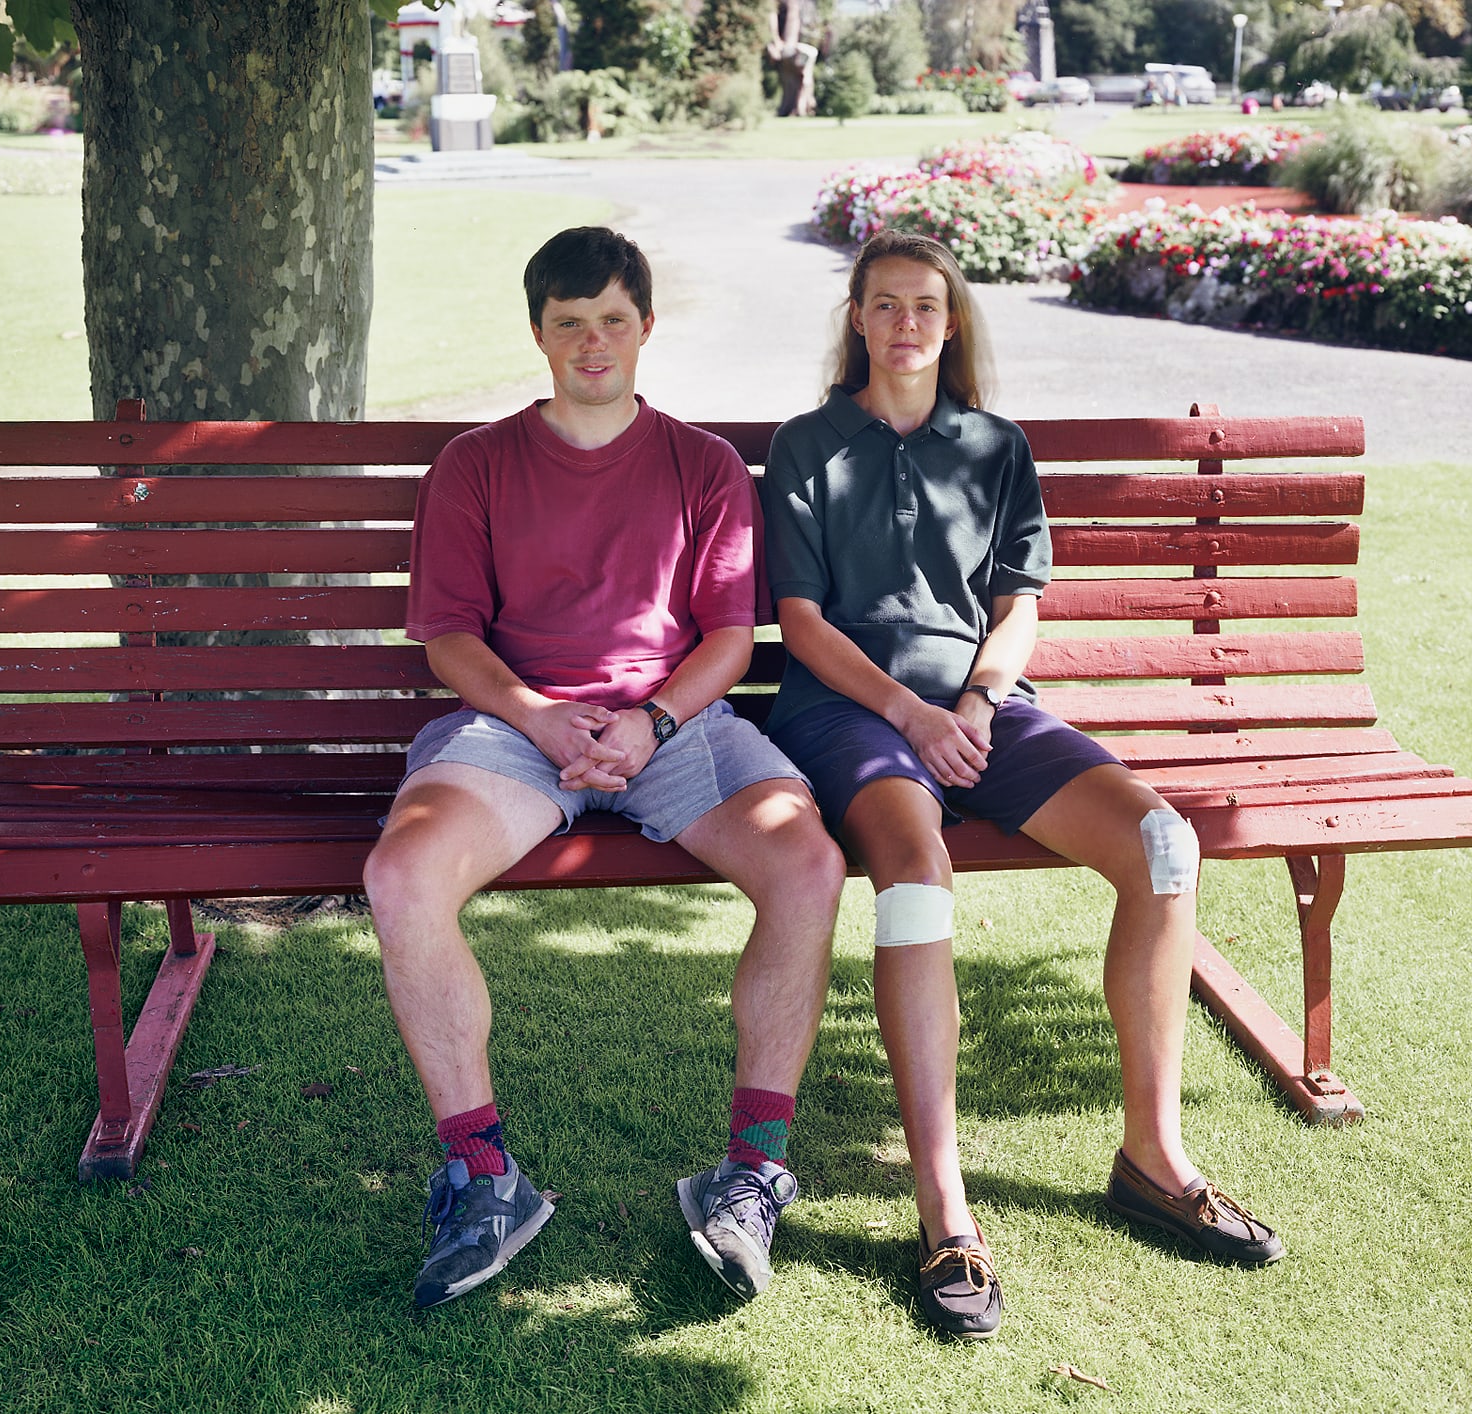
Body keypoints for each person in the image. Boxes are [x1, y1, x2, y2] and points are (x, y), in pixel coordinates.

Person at [759, 229, 1283, 1341]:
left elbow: (1018, 606)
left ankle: (1154, 1157)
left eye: (928, 307)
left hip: (980, 710)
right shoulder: (807, 447)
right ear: (856, 317)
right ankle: (945, 1205)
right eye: (887, 305)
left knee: (1164, 846)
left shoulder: (996, 446)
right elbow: (799, 621)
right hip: (849, 713)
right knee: (913, 877)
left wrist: (980, 703)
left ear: (953, 323)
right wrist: (910, 712)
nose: (907, 324)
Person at [363, 227, 846, 1310]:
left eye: (613, 321)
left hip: (673, 723)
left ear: (645, 328)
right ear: (538, 333)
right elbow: (449, 638)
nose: (593, 344)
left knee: (806, 865)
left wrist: (654, 722)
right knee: (402, 875)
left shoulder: (704, 466)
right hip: (515, 729)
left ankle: (752, 1170)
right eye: (570, 324)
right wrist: (539, 716)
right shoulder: (476, 465)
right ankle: (486, 1180)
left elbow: (729, 637)